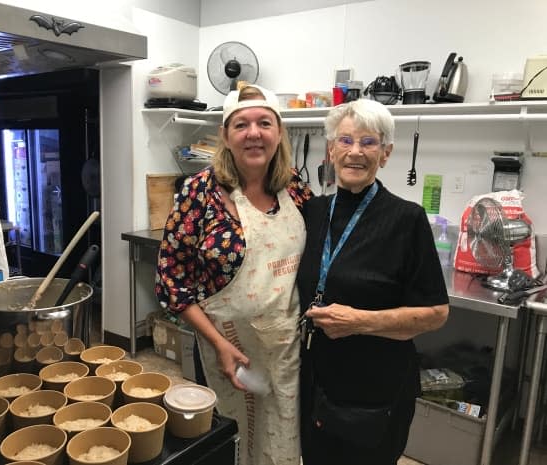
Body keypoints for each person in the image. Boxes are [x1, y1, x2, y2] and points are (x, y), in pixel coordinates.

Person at [155, 84, 312, 465]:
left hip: (287, 348)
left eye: (264, 123)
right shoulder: (199, 192)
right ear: (225, 135)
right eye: (241, 125)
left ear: (278, 132)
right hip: (229, 349)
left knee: (285, 439)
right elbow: (171, 282)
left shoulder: (295, 188)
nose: (254, 133)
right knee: (236, 439)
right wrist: (219, 344)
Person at [297, 99, 449, 465]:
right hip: (313, 379)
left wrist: (360, 322)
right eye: (345, 141)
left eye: (368, 142)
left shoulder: (407, 220)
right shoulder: (312, 211)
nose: (355, 152)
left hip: (374, 390)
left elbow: (435, 314)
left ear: (385, 154)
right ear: (330, 150)